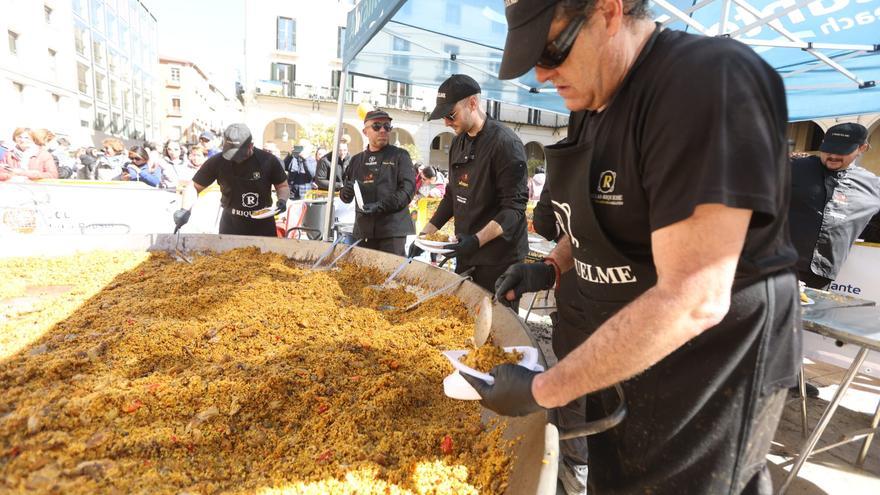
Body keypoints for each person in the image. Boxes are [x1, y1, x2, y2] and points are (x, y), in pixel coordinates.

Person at [462, 2, 802, 495]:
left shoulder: (705, 83)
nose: (541, 75)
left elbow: (695, 297)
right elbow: (603, 220)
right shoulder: (593, 103)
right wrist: (553, 266)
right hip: (620, 359)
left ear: (608, 11)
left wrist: (542, 389)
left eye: (551, 51)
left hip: (703, 380)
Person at [410, 74, 529, 294]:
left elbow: (514, 209)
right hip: (466, 252)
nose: (446, 122)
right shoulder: (458, 143)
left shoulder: (506, 143)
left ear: (472, 103)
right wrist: (425, 237)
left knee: (494, 316)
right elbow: (451, 196)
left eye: (450, 114)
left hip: (500, 260)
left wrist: (476, 240)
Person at [789, 123, 880, 289]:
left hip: (820, 276)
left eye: (842, 151)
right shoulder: (792, 168)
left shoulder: (873, 186)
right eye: (828, 149)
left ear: (862, 148)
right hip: (776, 265)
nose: (833, 156)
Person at [173, 123, 290, 237]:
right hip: (231, 225)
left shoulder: (268, 161)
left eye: (239, 154)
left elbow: (282, 186)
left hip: (263, 224)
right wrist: (184, 209)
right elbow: (194, 186)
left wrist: (282, 200)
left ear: (251, 145)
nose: (236, 158)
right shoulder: (217, 161)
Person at [338, 109, 416, 255]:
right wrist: (345, 192)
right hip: (364, 231)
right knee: (363, 269)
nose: (383, 130)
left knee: (392, 269)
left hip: (392, 230)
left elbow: (408, 191)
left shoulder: (400, 155)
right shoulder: (356, 160)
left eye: (387, 126)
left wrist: (380, 205)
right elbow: (346, 196)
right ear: (365, 132)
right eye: (376, 126)